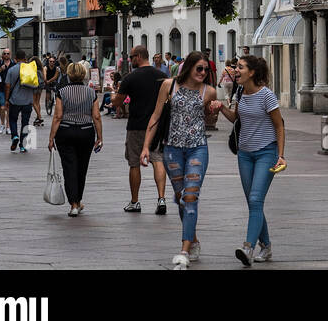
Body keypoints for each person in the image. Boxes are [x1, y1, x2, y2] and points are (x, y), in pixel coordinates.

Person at [142, 51, 215, 269]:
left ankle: (184, 249)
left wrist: (215, 110)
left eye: (205, 69)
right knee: (180, 196)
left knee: (190, 197)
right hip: (172, 149)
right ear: (189, 67)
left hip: (197, 148)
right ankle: (193, 239)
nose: (202, 73)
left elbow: (211, 119)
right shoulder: (169, 85)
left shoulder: (209, 91)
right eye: (199, 68)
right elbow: (155, 116)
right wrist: (146, 146)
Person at [212, 55, 285, 266]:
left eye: (240, 67)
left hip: (266, 153)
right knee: (253, 202)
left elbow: (279, 126)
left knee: (255, 200)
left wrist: (281, 155)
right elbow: (237, 119)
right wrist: (221, 108)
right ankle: (267, 245)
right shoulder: (241, 92)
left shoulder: (266, 96)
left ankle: (248, 247)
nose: (236, 70)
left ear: (252, 72)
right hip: (244, 154)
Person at [113, 44, 168, 214]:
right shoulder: (162, 76)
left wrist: (113, 95)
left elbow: (118, 102)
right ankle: (161, 198)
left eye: (131, 57)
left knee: (134, 163)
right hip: (157, 126)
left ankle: (135, 202)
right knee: (157, 159)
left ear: (138, 57)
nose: (130, 60)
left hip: (137, 125)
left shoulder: (130, 78)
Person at [48, 61, 103, 216]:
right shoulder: (91, 93)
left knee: (69, 167)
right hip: (86, 132)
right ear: (83, 74)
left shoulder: (62, 92)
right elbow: (96, 116)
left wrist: (51, 138)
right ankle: (78, 201)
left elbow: (58, 116)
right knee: (82, 168)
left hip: (65, 132)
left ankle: (73, 204)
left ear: (69, 75)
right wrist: (100, 137)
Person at [4, 49, 37, 152]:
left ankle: (14, 136)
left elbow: (8, 86)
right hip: (28, 101)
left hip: (15, 100)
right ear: (25, 59)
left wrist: (6, 99)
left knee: (13, 119)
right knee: (25, 123)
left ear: (15, 59)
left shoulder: (11, 70)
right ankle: (22, 145)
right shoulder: (31, 69)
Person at [0, 50, 13, 133]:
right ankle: (2, 124)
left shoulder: (13, 63)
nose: (6, 55)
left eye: (8, 53)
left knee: (9, 108)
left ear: (10, 55)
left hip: (11, 89)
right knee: (2, 107)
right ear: (2, 55)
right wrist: (0, 69)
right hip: (2, 88)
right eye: (4, 53)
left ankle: (8, 126)